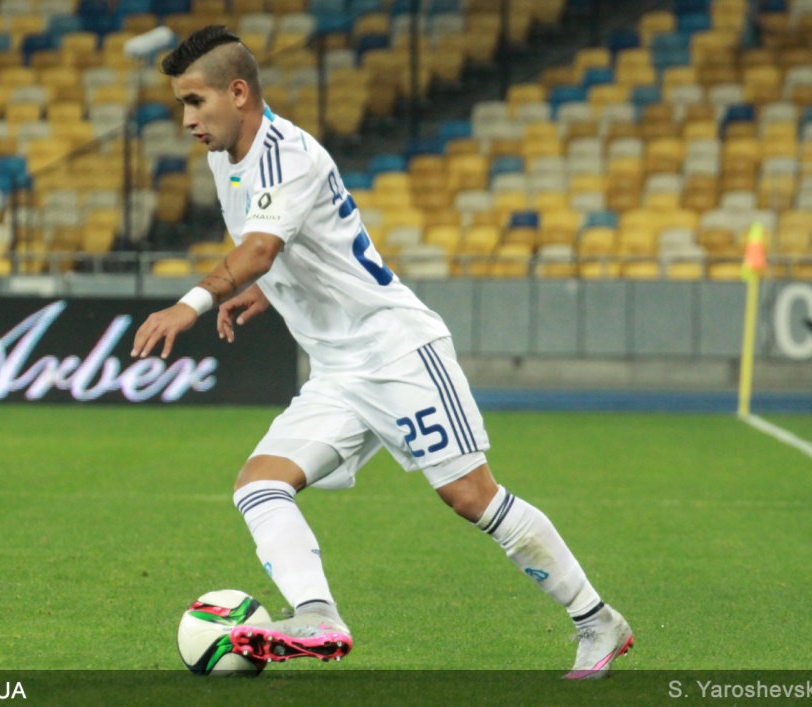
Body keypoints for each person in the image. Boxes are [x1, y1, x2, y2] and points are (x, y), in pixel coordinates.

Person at [133, 25, 633, 678]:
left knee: (471, 496)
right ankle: (317, 615)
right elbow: (299, 244)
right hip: (338, 371)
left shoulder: (287, 154)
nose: (187, 119)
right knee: (259, 485)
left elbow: (260, 248)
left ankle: (598, 621)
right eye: (182, 105)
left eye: (195, 102)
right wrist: (272, 291)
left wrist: (190, 303)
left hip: (397, 351)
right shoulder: (226, 160)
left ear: (239, 93)